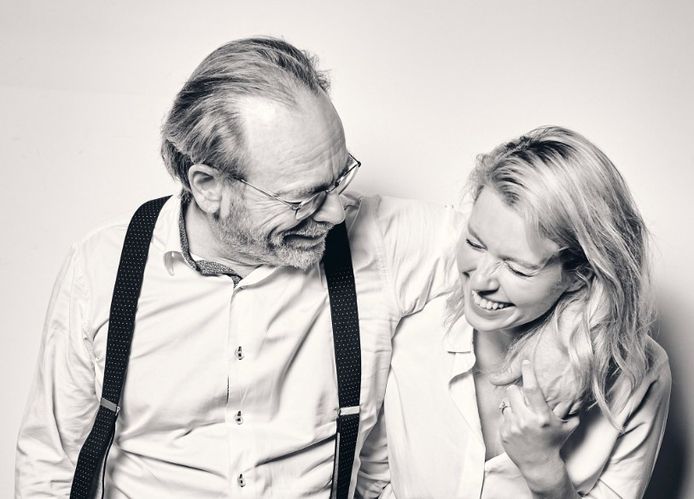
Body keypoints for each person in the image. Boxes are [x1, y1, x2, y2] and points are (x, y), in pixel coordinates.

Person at [14, 37, 464, 498]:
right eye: (304, 198)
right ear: (208, 186)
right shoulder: (103, 268)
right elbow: (50, 463)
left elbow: (504, 233)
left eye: (339, 178)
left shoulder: (378, 242)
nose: (333, 212)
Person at [366, 126, 671, 498]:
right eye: (475, 243)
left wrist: (544, 471)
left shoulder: (638, 374)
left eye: (518, 268)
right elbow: (373, 482)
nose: (480, 281)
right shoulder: (414, 328)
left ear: (580, 277)